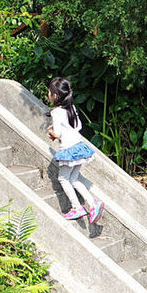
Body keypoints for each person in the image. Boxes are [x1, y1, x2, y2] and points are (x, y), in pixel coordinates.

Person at [47, 77, 103, 224]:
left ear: (55, 95)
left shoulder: (57, 112)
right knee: (73, 178)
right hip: (79, 146)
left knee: (63, 178)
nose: (48, 94)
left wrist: (51, 132)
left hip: (69, 150)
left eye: (49, 92)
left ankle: (77, 207)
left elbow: (57, 133)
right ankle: (93, 204)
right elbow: (77, 127)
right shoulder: (71, 108)